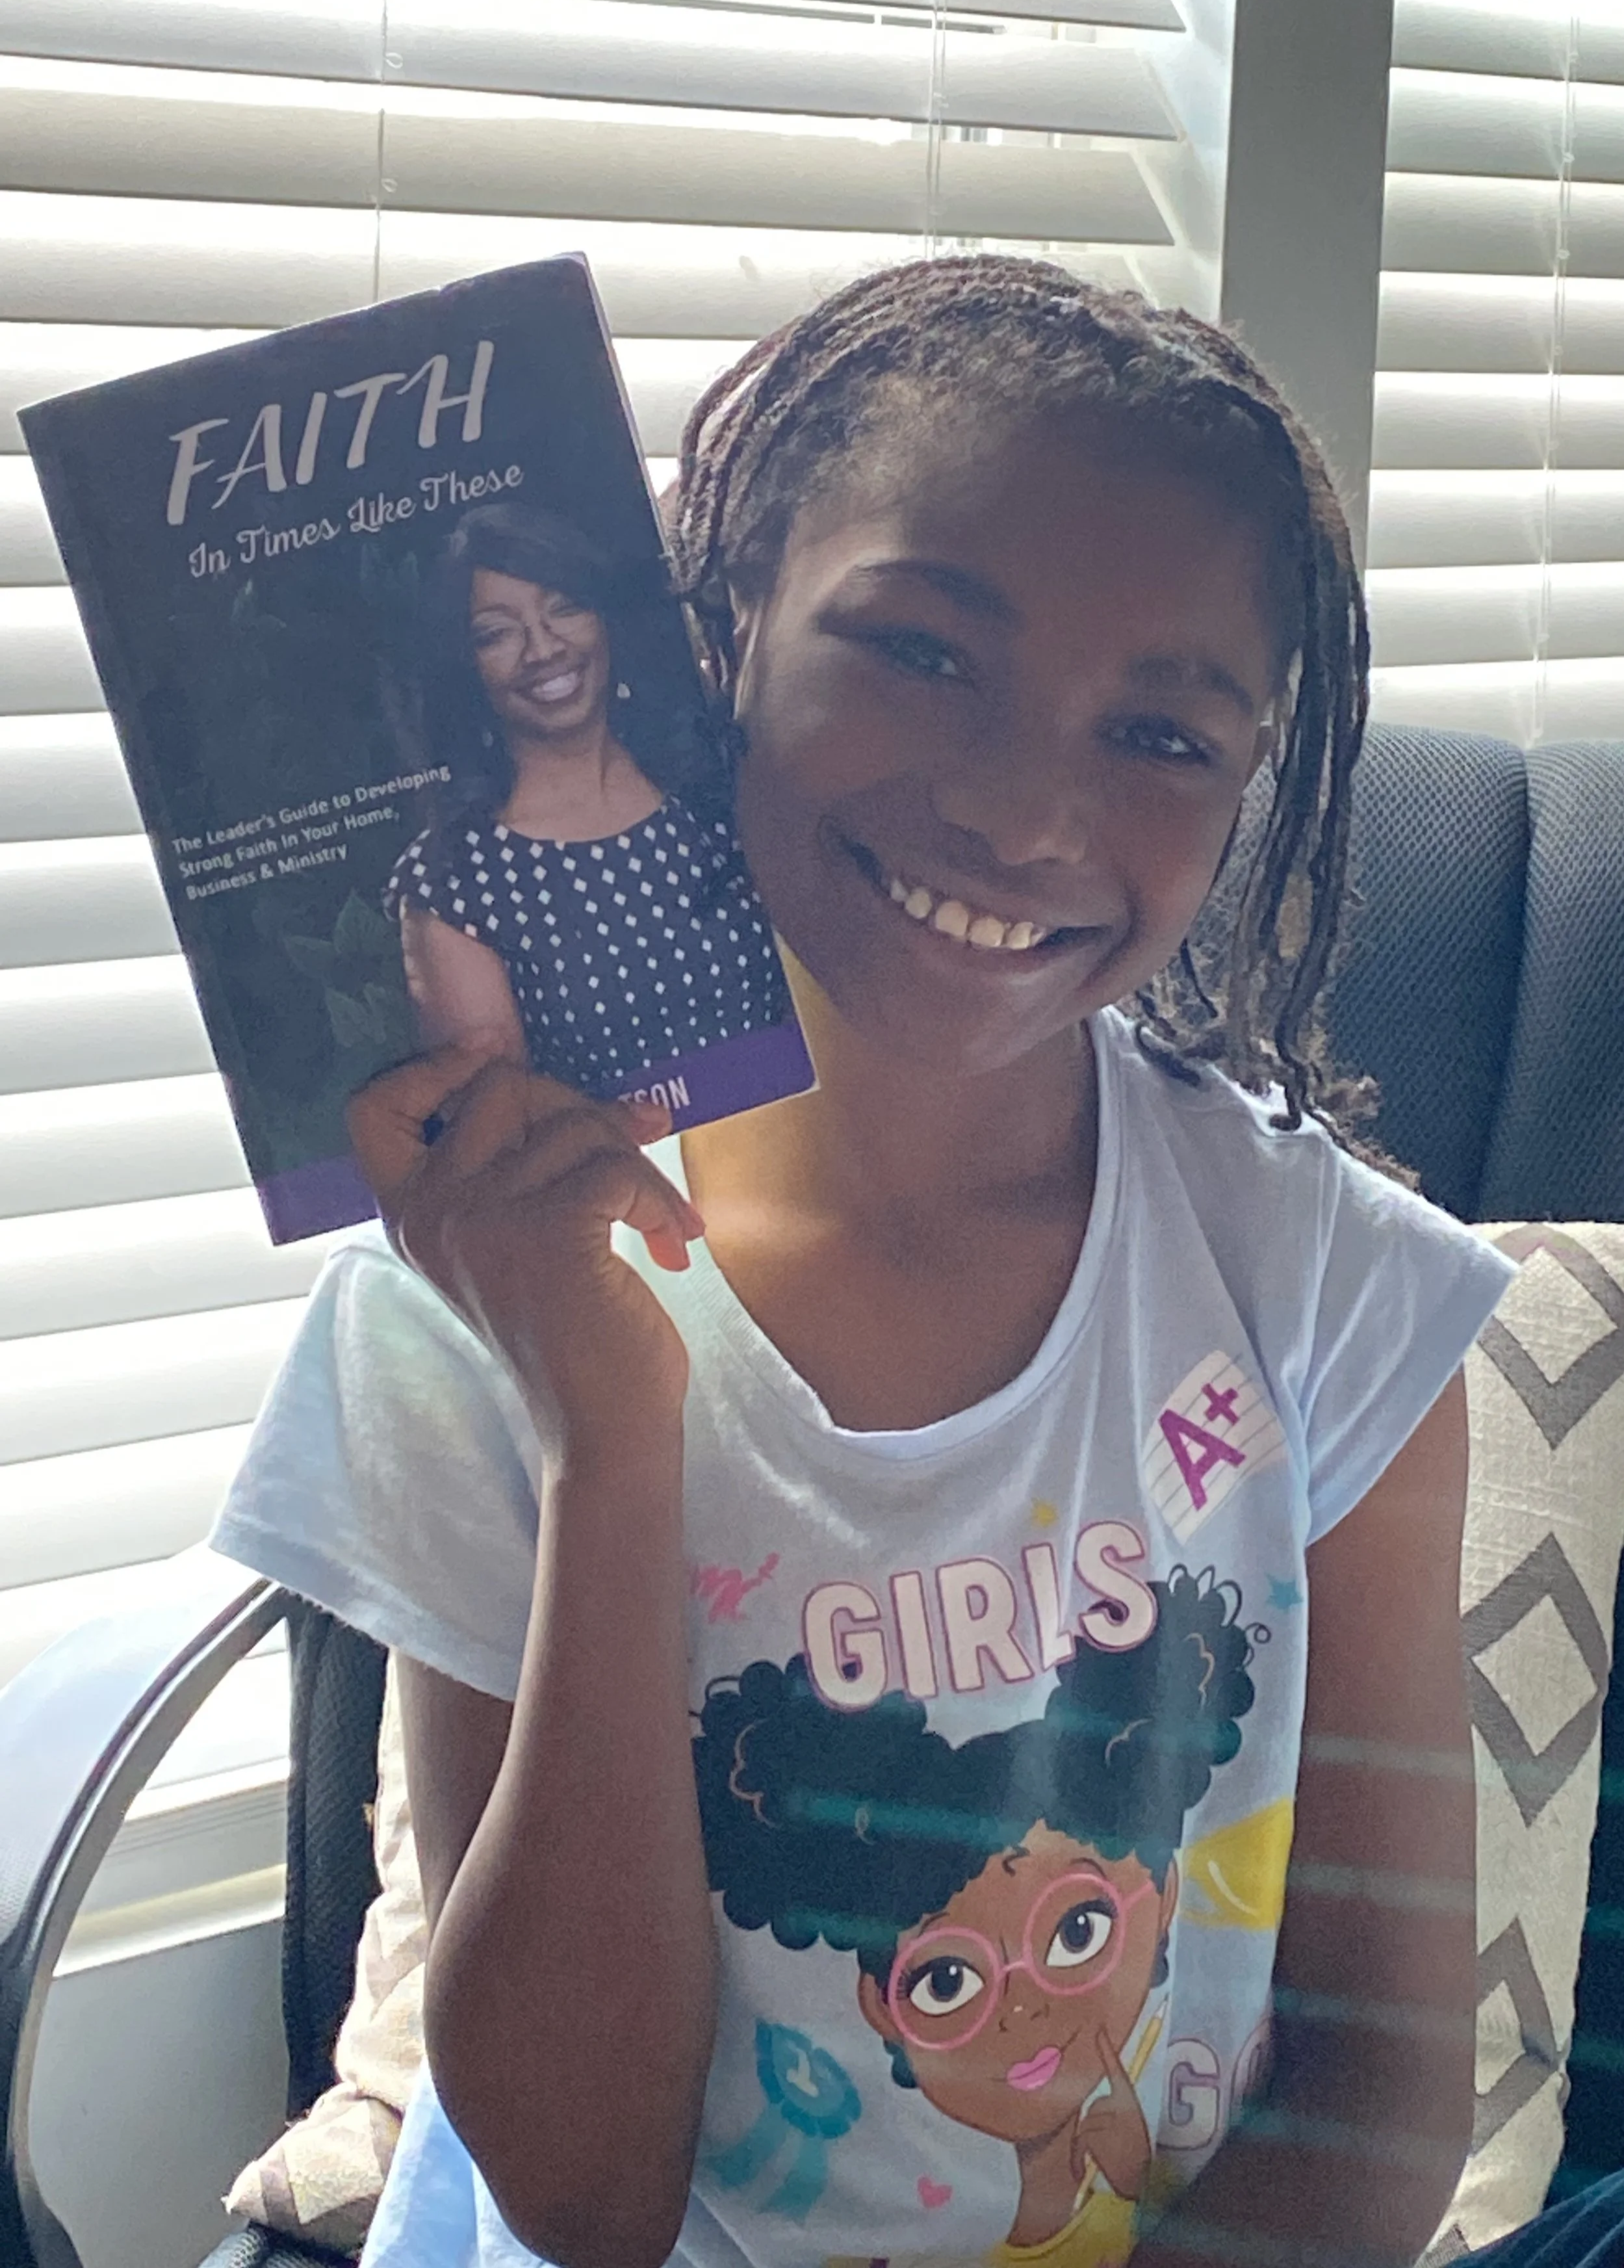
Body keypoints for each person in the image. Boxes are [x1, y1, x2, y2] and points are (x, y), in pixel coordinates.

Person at [212, 256, 1624, 2268]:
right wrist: (605, 1445)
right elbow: (585, 2195)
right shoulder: (467, 1299)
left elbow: (1369, 2088)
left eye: (1158, 729)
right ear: (712, 642)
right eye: (920, 651)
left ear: (1245, 792)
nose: (1023, 805)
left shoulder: (1326, 1289)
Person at [385, 500, 793, 1098]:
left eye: (565, 607)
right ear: (466, 665)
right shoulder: (450, 881)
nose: (543, 648)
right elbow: (509, 1133)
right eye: (498, 633)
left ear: (605, 619)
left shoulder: (718, 785)